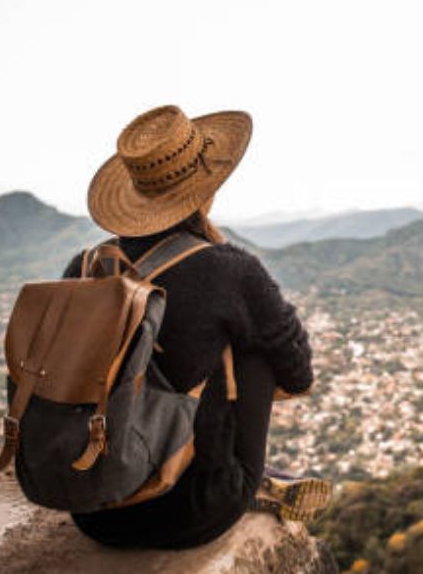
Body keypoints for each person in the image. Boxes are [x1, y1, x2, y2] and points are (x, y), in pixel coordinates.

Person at [64, 104, 324, 549]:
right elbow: (298, 372)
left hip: (91, 505)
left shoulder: (86, 267)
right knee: (256, 344)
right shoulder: (229, 272)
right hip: (192, 512)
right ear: (206, 188)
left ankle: (248, 472)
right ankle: (247, 476)